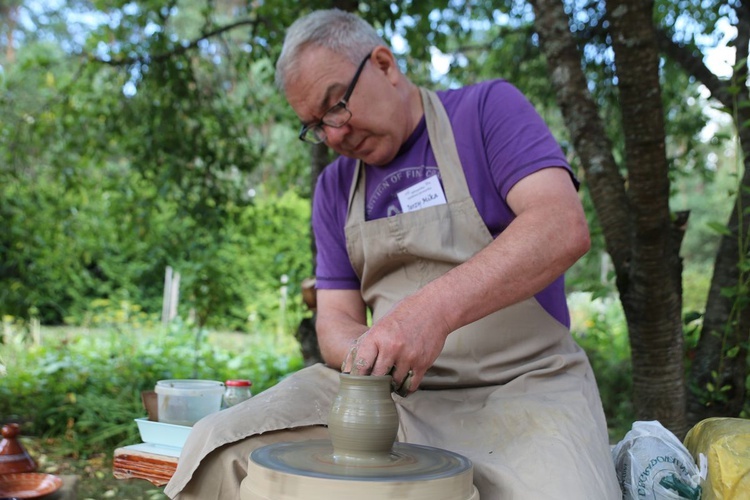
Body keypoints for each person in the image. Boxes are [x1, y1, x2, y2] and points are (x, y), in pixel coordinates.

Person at [164, 9, 621, 499]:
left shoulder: (487, 111)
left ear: (383, 64)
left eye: (335, 106)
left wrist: (429, 314)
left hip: (526, 387)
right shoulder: (335, 187)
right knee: (218, 446)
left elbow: (560, 226)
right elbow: (334, 322)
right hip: (394, 399)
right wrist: (374, 357)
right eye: (315, 126)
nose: (334, 135)